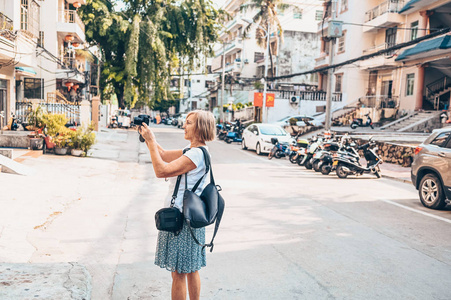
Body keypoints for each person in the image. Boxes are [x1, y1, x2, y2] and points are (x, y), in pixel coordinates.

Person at [138, 110, 216, 300]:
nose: (184, 125)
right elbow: (163, 154)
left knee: (178, 272)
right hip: (189, 219)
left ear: (199, 128)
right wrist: (150, 137)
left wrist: (150, 144)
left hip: (181, 221)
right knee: (190, 269)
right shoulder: (195, 151)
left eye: (188, 123)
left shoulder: (196, 155)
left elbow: (161, 170)